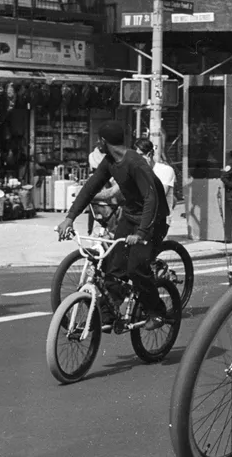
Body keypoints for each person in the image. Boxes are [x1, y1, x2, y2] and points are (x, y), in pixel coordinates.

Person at [56, 121, 170, 331]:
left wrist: (142, 233)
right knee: (112, 266)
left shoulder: (135, 162)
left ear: (103, 141)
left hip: (152, 219)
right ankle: (108, 314)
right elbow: (91, 187)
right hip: (130, 216)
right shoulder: (110, 161)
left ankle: (158, 311)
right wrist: (70, 217)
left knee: (135, 268)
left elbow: (151, 199)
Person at [135, 137, 177, 225]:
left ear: (149, 154)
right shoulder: (136, 171)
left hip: (159, 219)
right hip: (140, 217)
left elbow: (158, 195)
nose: (137, 160)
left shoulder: (166, 170)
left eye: (140, 155)